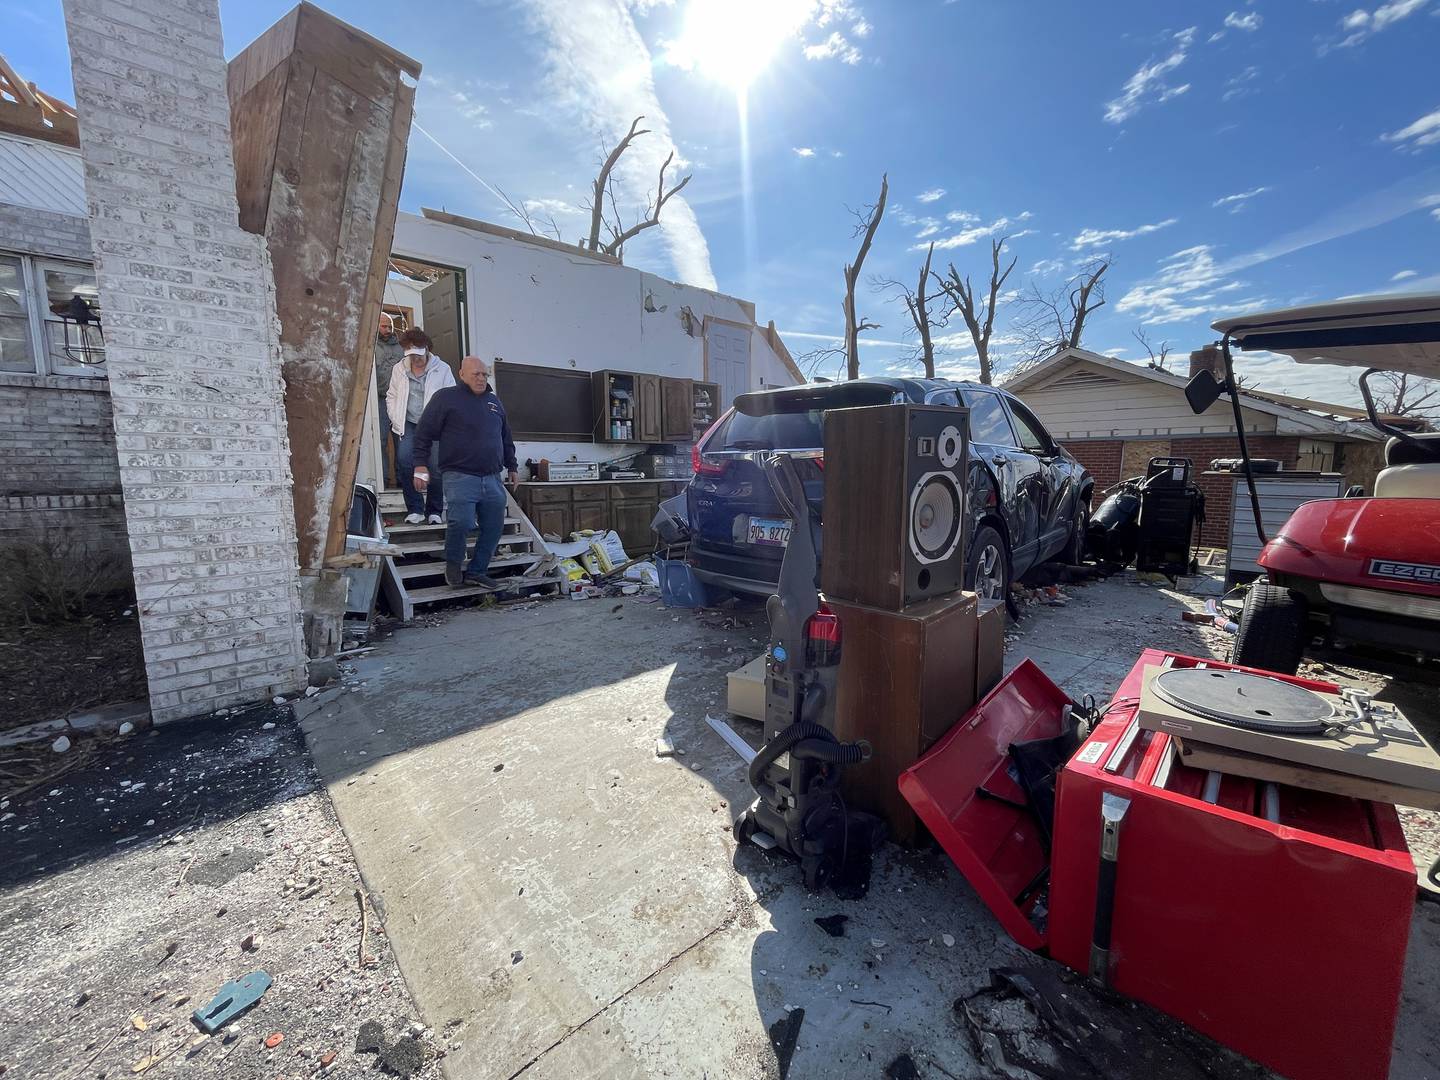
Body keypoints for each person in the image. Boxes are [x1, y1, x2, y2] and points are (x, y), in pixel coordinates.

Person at [412, 356, 519, 588]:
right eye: (475, 374)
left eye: (484, 374)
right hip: (459, 476)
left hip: (492, 478)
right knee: (461, 523)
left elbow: (505, 437)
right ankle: (453, 564)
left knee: (494, 527)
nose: (481, 378)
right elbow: (423, 433)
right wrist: (420, 465)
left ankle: (476, 571)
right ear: (462, 374)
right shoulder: (446, 398)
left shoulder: (494, 403)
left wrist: (512, 466)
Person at [385, 328, 455, 525]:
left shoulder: (443, 369)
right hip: (407, 424)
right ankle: (415, 509)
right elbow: (391, 395)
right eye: (411, 354)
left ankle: (434, 510)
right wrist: (394, 417)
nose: (416, 358)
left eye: (419, 353)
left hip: (433, 426)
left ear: (427, 349)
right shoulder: (399, 369)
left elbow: (450, 399)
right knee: (405, 462)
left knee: (434, 466)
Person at [374, 312, 405, 487]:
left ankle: (402, 479)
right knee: (381, 441)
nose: (387, 330)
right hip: (378, 400)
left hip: (400, 401)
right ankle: (384, 478)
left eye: (389, 327)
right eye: (383, 326)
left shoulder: (401, 348)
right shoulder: (370, 346)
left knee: (401, 440)